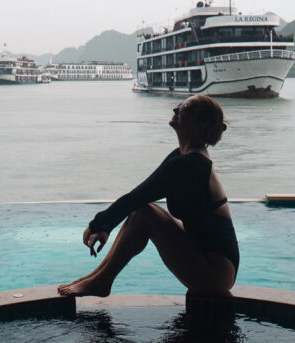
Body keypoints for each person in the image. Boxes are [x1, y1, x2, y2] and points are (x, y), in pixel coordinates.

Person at [58, 94, 238, 297]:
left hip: (215, 273)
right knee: (143, 211)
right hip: (207, 260)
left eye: (184, 108)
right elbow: (140, 195)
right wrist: (105, 226)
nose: (175, 110)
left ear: (199, 125)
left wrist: (98, 225)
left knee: (145, 214)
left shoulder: (190, 165)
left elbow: (136, 197)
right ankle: (97, 277)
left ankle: (101, 281)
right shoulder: (181, 156)